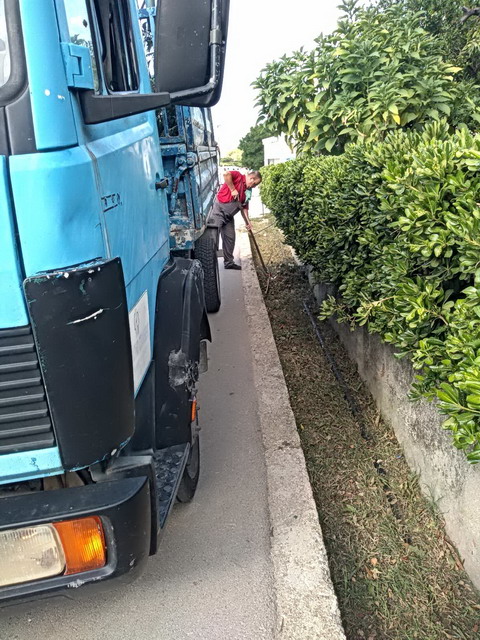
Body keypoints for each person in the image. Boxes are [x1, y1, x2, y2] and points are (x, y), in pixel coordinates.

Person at [209, 169, 262, 270]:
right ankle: (209, 266)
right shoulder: (238, 176)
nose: (254, 186)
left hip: (229, 216)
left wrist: (248, 222)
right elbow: (226, 174)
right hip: (219, 211)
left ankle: (229, 263)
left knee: (230, 238)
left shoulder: (247, 191)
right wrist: (233, 189)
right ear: (251, 178)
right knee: (213, 239)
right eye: (255, 184)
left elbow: (244, 208)